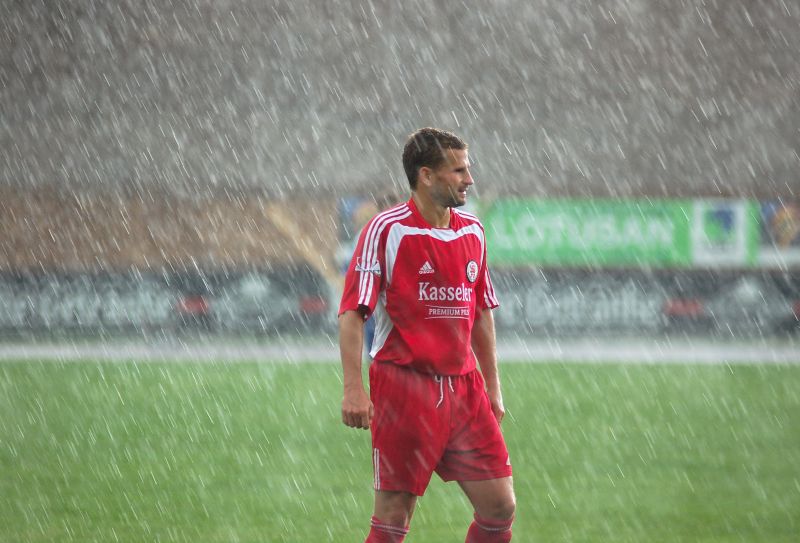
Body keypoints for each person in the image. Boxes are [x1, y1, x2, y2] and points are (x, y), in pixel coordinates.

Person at [338, 127, 516, 542]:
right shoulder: (385, 231)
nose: (468, 179)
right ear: (426, 176)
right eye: (458, 170)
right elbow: (352, 313)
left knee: (499, 506)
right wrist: (353, 389)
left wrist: (492, 387)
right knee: (393, 519)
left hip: (464, 388)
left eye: (467, 169)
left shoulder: (472, 230)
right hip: (405, 387)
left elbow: (481, 316)